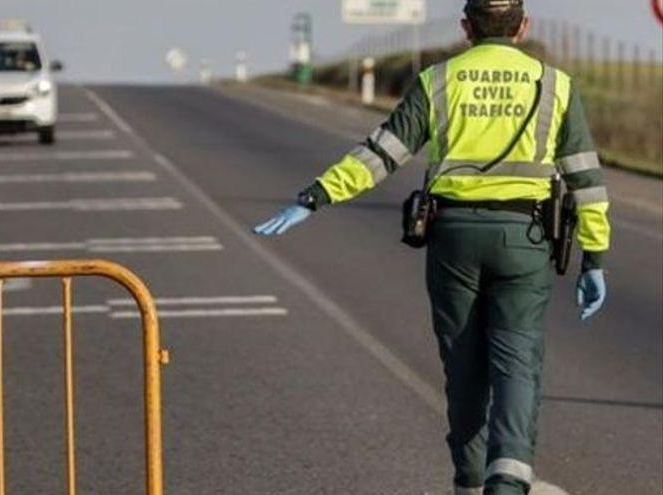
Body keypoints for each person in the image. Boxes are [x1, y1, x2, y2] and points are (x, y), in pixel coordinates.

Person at [252, 1, 611, 494]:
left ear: (467, 28)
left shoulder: (438, 81)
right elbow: (586, 180)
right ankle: (507, 480)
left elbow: (382, 153)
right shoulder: (555, 85)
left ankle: (468, 480)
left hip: (454, 237)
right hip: (524, 240)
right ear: (523, 27)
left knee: (463, 365)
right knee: (517, 362)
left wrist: (316, 197)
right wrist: (594, 258)